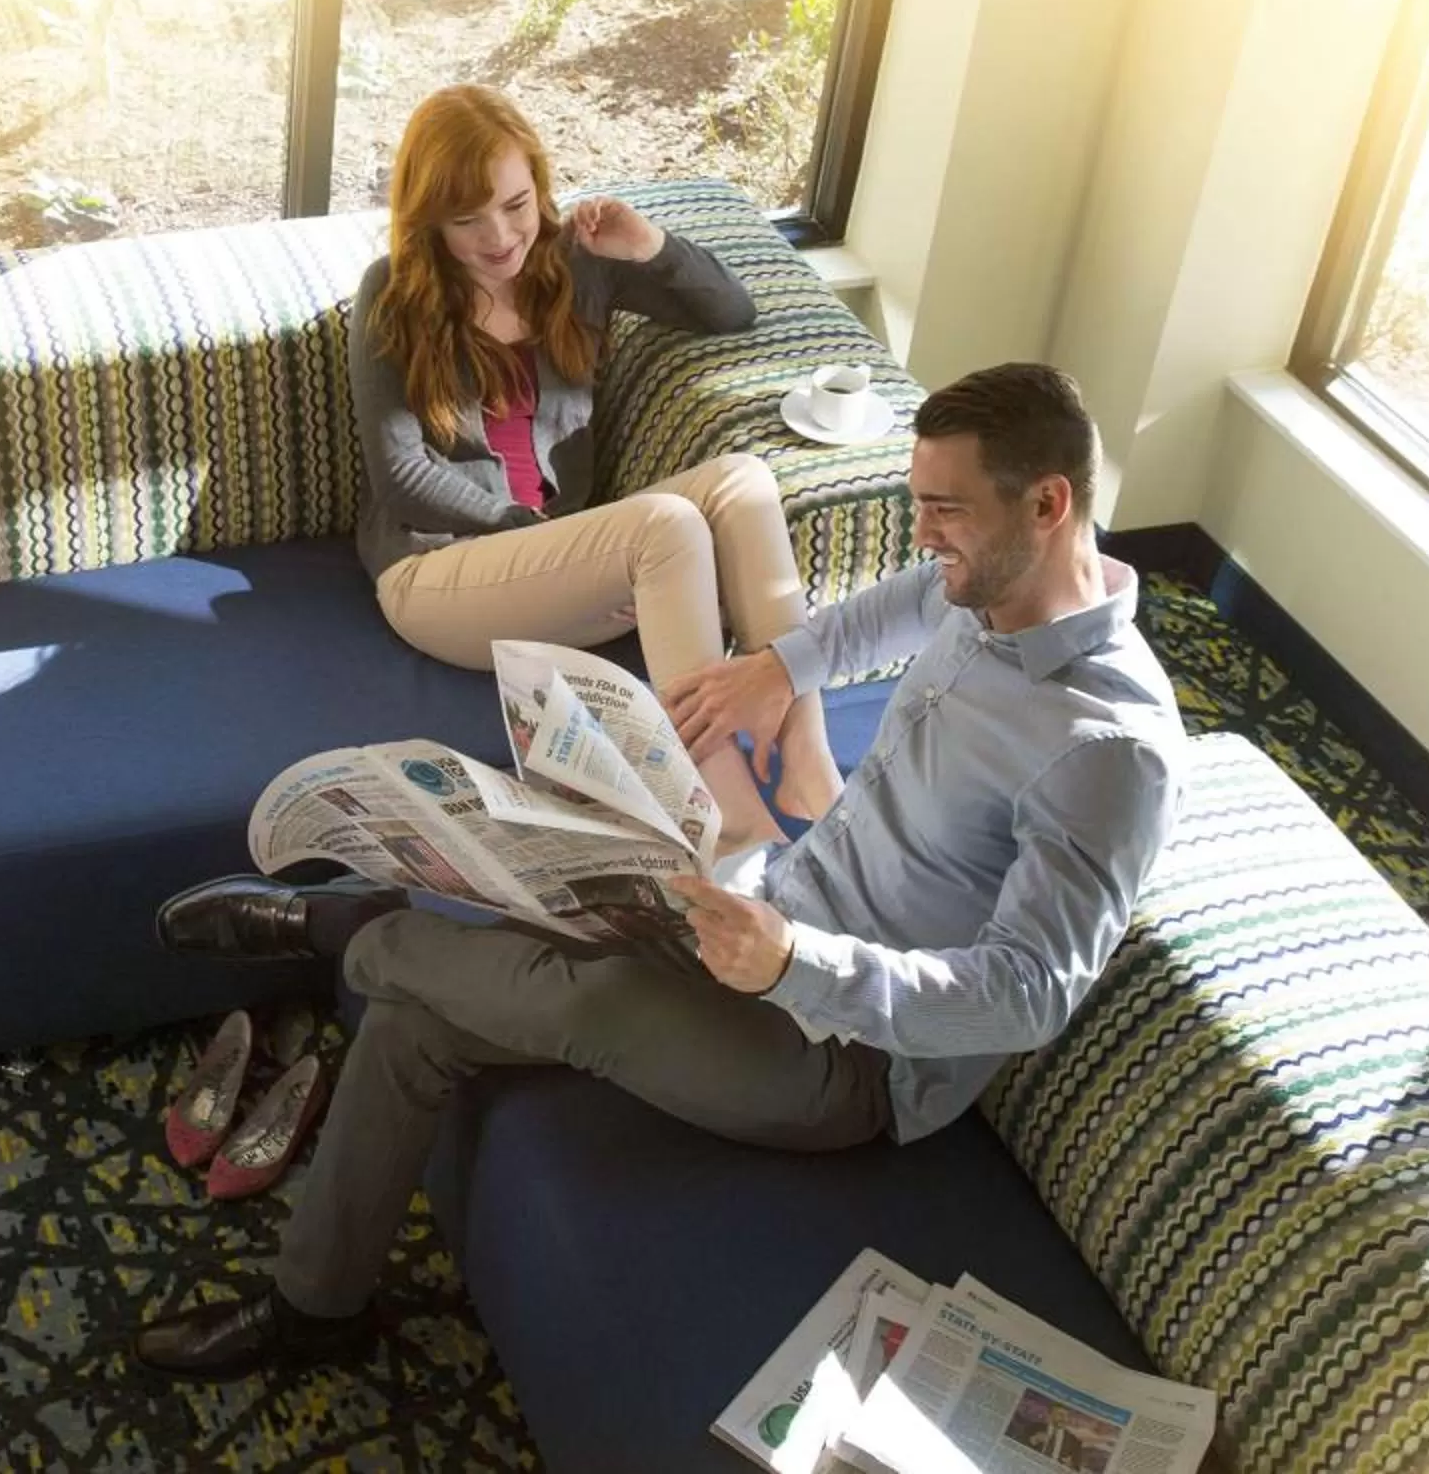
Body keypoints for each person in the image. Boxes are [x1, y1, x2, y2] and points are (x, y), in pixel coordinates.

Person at [132, 362, 1183, 1377]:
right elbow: (899, 603)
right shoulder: (981, 587)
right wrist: (779, 666)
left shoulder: (1106, 749)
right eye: (920, 502)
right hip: (765, 905)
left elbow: (1031, 993)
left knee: (593, 996)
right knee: (423, 1015)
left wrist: (798, 964)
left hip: (848, 1057)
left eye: (945, 510)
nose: (923, 534)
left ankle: (345, 926)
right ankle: (315, 1310)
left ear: (1047, 504)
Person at [341, 82, 841, 851]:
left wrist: (652, 248)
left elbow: (731, 312)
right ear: (430, 217)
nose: (499, 235)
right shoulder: (393, 292)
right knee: (664, 527)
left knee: (742, 480)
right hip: (436, 576)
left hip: (555, 565)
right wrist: (529, 530)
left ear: (539, 186)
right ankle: (724, 817)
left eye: (515, 204)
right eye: (467, 219)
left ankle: (806, 758)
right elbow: (400, 475)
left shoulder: (578, 262)